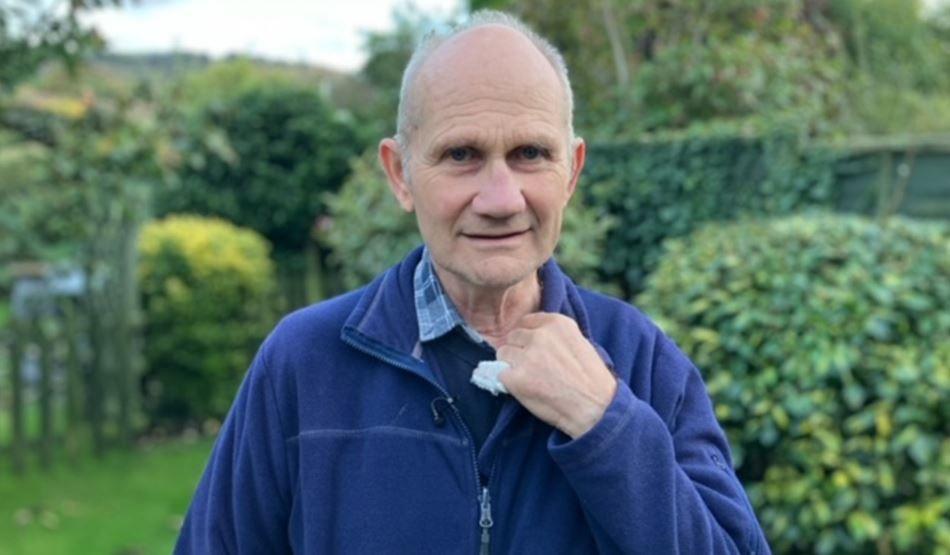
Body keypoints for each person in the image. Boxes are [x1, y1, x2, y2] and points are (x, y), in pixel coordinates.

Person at [176, 10, 770, 554]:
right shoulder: (304, 365)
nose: (501, 199)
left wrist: (605, 423)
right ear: (400, 173)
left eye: (531, 153)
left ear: (572, 172)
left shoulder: (642, 362)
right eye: (461, 154)